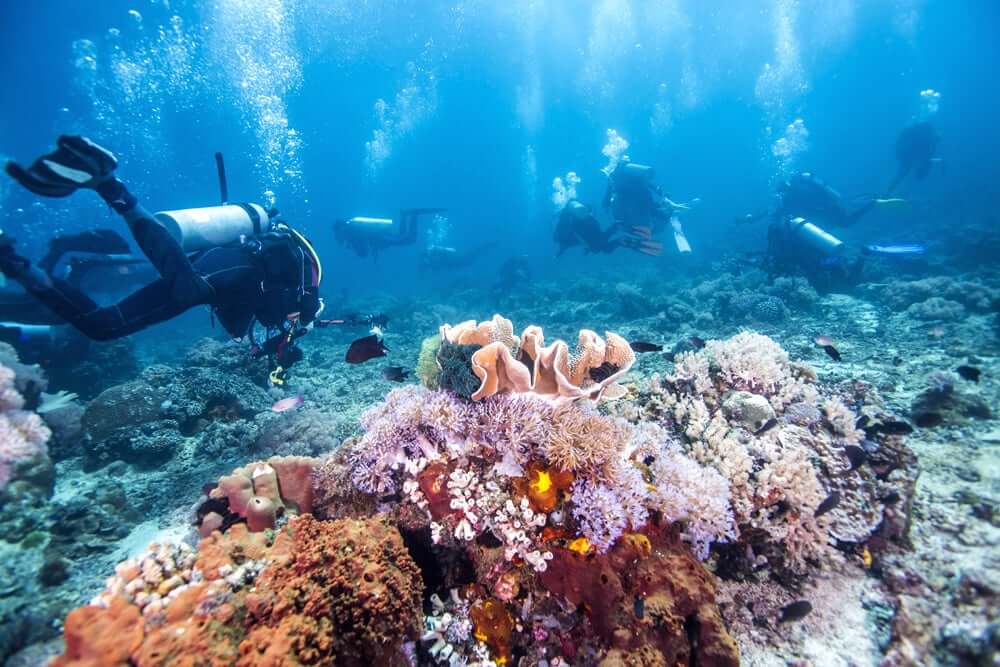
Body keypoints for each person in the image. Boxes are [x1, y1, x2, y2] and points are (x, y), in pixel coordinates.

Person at [0, 135, 324, 385]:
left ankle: (13, 262)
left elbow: (240, 326)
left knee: (102, 326)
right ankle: (109, 185)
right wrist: (288, 339)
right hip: (231, 269)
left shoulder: (292, 302)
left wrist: (272, 353)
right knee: (190, 291)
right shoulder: (304, 299)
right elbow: (270, 316)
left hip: (223, 271)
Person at [553, 199, 662, 256]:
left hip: (593, 241)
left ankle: (621, 236)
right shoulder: (574, 218)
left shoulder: (564, 233)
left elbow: (576, 239)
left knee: (604, 247)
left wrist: (559, 254)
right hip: (593, 228)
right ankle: (623, 229)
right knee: (604, 244)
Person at [334, 208, 446, 260]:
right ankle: (404, 215)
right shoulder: (352, 230)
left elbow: (363, 253)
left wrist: (350, 245)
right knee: (401, 236)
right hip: (381, 236)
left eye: (338, 232)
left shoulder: (352, 233)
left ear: (341, 228)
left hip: (380, 238)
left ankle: (414, 215)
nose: (338, 235)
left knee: (409, 240)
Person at [887, 120, 939, 195]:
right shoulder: (929, 136)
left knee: (900, 175)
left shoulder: (926, 135)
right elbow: (927, 157)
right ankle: (890, 193)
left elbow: (927, 156)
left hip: (908, 154)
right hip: (910, 155)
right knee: (902, 175)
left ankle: (888, 193)